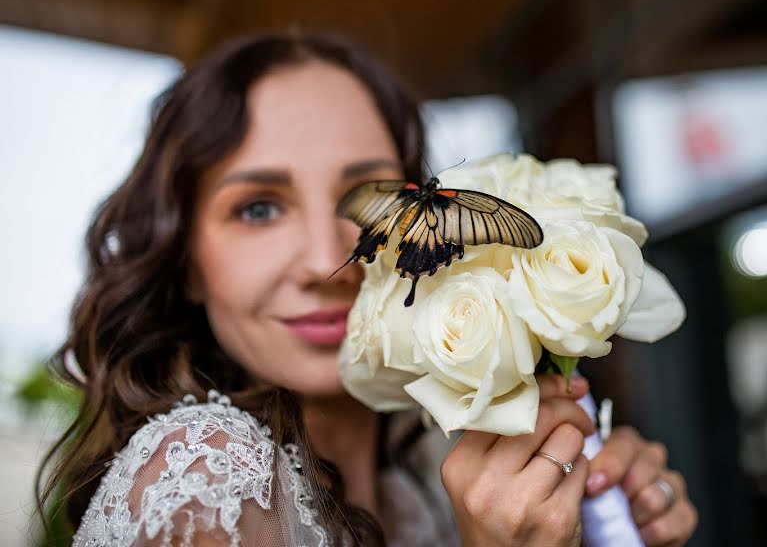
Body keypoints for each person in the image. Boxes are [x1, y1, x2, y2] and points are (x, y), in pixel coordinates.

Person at [37, 31, 698, 546]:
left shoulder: (423, 480)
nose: (330, 262)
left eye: (369, 202)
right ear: (186, 259)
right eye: (259, 208)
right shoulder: (208, 481)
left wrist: (596, 521)